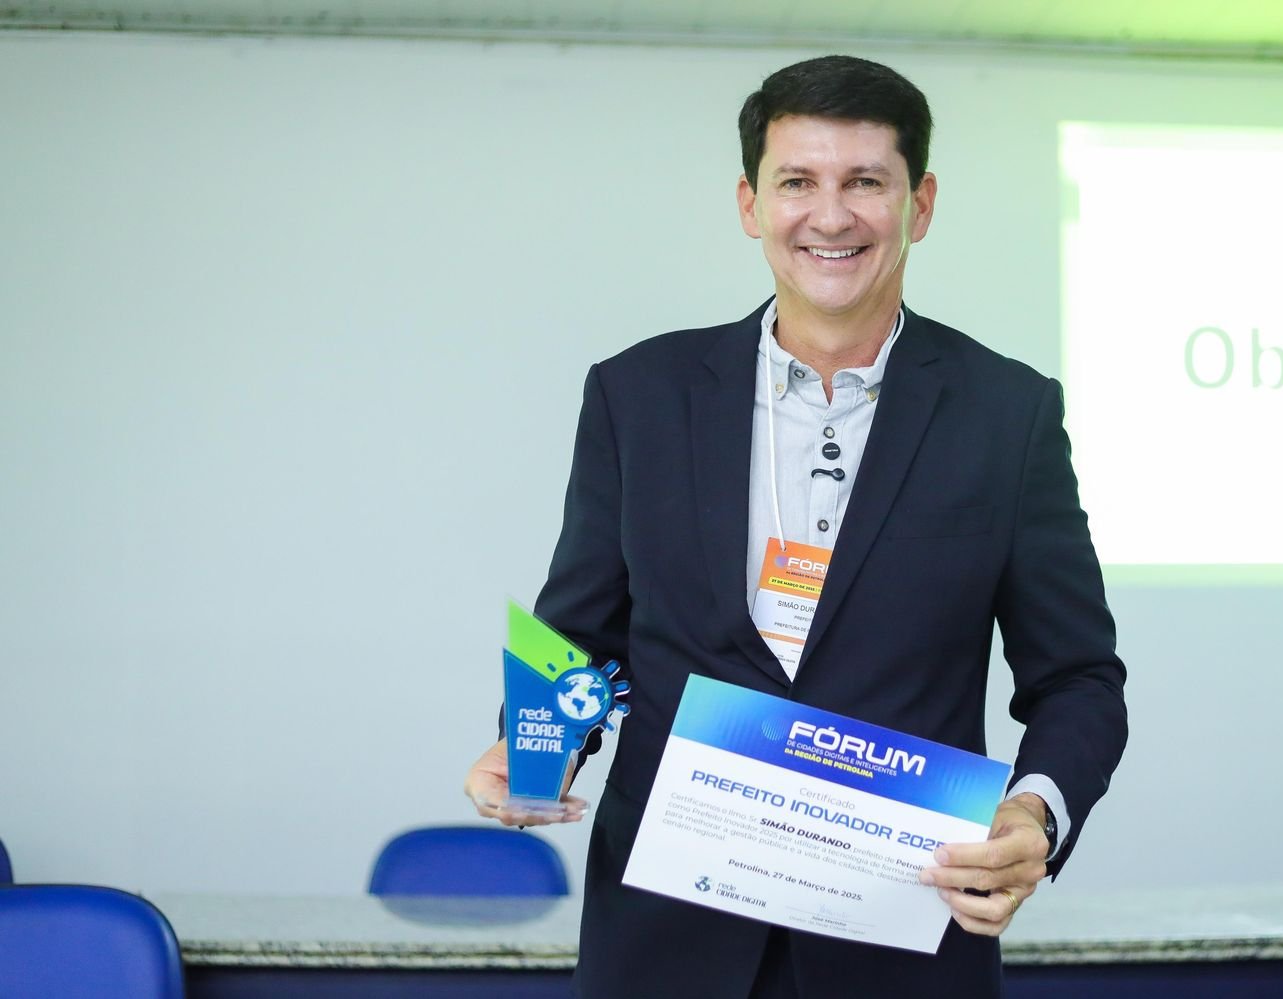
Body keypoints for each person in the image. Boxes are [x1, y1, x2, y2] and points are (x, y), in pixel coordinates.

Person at [464, 54, 1127, 999]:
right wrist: (533, 747)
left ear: (920, 204)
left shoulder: (1008, 414)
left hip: (902, 951)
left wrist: (1035, 812)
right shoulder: (637, 395)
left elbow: (1078, 679)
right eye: (797, 182)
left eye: (865, 182)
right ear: (750, 203)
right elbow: (581, 636)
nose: (831, 215)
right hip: (662, 950)